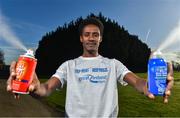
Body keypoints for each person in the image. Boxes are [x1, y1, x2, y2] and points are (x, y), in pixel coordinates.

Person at [7, 17, 174, 117]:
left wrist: (151, 86)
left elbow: (138, 83)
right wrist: (35, 88)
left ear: (101, 39)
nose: (91, 38)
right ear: (81, 38)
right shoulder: (68, 66)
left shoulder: (113, 64)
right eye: (87, 34)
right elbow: (47, 88)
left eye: (96, 35)